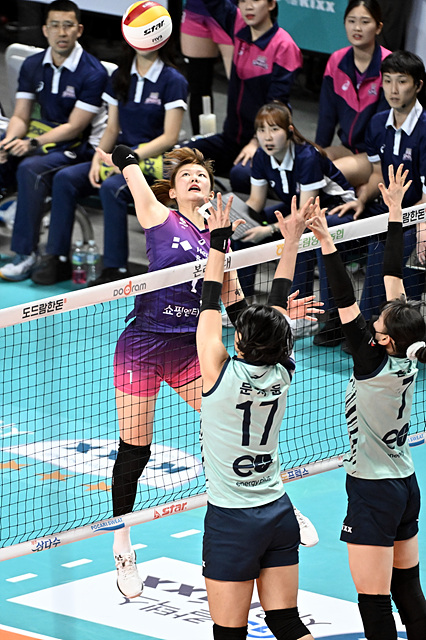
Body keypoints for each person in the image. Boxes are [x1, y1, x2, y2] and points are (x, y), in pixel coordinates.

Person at [97, 143, 319, 599]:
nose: (195, 179)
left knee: (243, 422)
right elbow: (129, 165)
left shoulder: (220, 239)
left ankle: (281, 503)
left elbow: (235, 305)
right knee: (135, 449)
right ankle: (122, 545)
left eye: (202, 175)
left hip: (189, 350)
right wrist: (122, 156)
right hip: (142, 347)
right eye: (187, 176)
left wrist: (276, 318)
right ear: (174, 191)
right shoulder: (159, 217)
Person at [306, 164, 426, 640]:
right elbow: (394, 277)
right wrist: (395, 214)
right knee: (408, 589)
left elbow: (342, 298)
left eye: (376, 328)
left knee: (373, 601)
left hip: (373, 490)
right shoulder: (408, 346)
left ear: (384, 341)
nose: (373, 324)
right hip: (406, 483)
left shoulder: (371, 361)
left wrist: (326, 242)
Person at [196, 192, 317, 640]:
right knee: (286, 622)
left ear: (240, 342)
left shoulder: (219, 373)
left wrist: (217, 240)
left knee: (229, 633)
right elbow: (271, 313)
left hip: (232, 520)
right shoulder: (283, 371)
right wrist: (292, 242)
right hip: (277, 511)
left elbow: (208, 302)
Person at [31, 40, 188, 286]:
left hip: (152, 165)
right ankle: (58, 258)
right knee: (65, 179)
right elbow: (112, 128)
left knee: (112, 188)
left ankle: (116, 269)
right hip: (119, 158)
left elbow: (170, 137)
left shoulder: (173, 80)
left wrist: (130, 159)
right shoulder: (120, 75)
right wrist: (98, 157)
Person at [0, 0, 108, 282]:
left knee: (31, 169)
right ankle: (9, 207)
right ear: (45, 29)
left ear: (79, 30)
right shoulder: (33, 65)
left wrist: (31, 144)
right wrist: (8, 142)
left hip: (76, 148)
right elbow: (20, 116)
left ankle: (25, 254)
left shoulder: (93, 72)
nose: (62, 32)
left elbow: (75, 127)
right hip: (41, 138)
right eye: (55, 26)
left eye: (68, 26)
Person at [236, 101, 356, 341]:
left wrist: (268, 230)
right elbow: (256, 202)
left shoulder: (307, 156)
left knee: (300, 235)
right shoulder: (261, 155)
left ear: (289, 131)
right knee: (241, 232)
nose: (267, 137)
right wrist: (237, 219)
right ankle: (241, 303)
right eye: (261, 130)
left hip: (336, 209)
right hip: (299, 207)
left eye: (274, 129)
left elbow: (305, 211)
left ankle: (304, 317)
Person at [328, 50, 426, 321]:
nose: (393, 89)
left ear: (418, 85)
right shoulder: (377, 123)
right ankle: (333, 317)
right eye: (388, 81)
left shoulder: (424, 130)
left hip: (413, 216)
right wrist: (360, 200)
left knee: (382, 243)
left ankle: (371, 323)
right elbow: (376, 174)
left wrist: (418, 227)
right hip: (383, 209)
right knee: (330, 228)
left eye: (402, 81)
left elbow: (425, 197)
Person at [185, 0, 303, 194]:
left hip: (265, 144)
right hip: (231, 139)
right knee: (180, 158)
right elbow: (215, 4)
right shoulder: (239, 25)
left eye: (255, 0)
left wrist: (256, 141)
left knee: (240, 175)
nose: (248, 6)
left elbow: (277, 106)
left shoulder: (284, 46)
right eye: (243, 1)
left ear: (271, 4)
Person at [315, 0, 390, 188]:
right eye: (351, 21)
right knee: (310, 166)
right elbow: (326, 117)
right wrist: (317, 151)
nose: (357, 28)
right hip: (347, 149)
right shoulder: (336, 61)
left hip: (375, 157)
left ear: (378, 27)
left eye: (365, 22)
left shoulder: (390, 66)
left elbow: (384, 129)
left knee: (327, 176)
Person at [180, 0, 235, 135]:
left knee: (239, 88)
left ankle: (242, 140)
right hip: (195, 12)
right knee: (198, 88)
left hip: (228, 14)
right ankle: (200, 141)